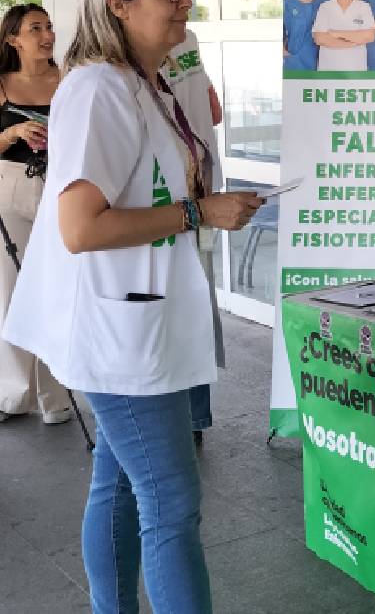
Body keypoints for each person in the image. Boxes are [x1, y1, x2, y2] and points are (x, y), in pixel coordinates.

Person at [0, 0, 262, 611]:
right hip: (116, 328)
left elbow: (204, 127)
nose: (185, 2)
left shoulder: (153, 81)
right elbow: (81, 227)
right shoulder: (96, 90)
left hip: (142, 314)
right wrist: (199, 211)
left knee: (118, 483)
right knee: (171, 504)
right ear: (116, 4)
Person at [0, 4, 73, 426]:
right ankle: (12, 394)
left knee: (55, 291)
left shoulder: (67, 78)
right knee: (10, 290)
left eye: (49, 26)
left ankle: (56, 395)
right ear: (13, 37)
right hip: (9, 187)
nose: (47, 35)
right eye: (36, 28)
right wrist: (13, 131)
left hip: (59, 187)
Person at [161, 27, 224, 445]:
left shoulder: (189, 41)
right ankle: (185, 416)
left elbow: (212, 110)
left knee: (195, 303)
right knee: (181, 304)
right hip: (162, 198)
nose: (180, 2)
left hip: (196, 192)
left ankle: (192, 416)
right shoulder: (123, 61)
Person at [311, 0, 375, 72]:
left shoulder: (364, 7)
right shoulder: (325, 7)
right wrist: (353, 42)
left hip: (356, 70)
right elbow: (320, 38)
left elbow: (369, 36)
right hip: (329, 70)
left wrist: (335, 33)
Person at [283, 0, 328, 71]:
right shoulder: (287, 2)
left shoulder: (324, 1)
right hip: (293, 60)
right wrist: (285, 53)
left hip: (320, 59)